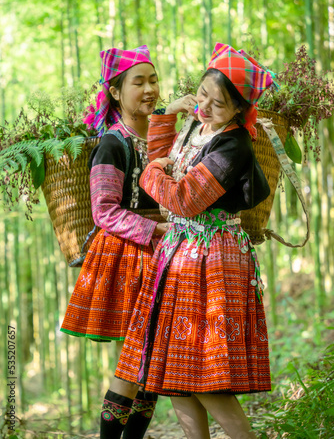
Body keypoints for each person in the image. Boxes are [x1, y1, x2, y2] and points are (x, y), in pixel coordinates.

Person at [114, 43, 274, 439]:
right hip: (182, 257)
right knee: (177, 378)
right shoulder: (195, 126)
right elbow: (160, 156)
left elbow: (183, 200)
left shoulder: (233, 144)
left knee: (207, 379)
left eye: (217, 104)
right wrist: (168, 116)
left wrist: (151, 174)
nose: (203, 107)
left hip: (213, 260)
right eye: (201, 94)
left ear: (238, 110)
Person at [60, 45, 170, 439]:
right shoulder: (112, 144)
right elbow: (104, 211)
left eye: (153, 80)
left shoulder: (163, 137)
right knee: (137, 359)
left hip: (163, 255)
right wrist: (156, 230)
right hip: (128, 256)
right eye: (138, 82)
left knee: (151, 363)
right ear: (116, 92)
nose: (149, 89)